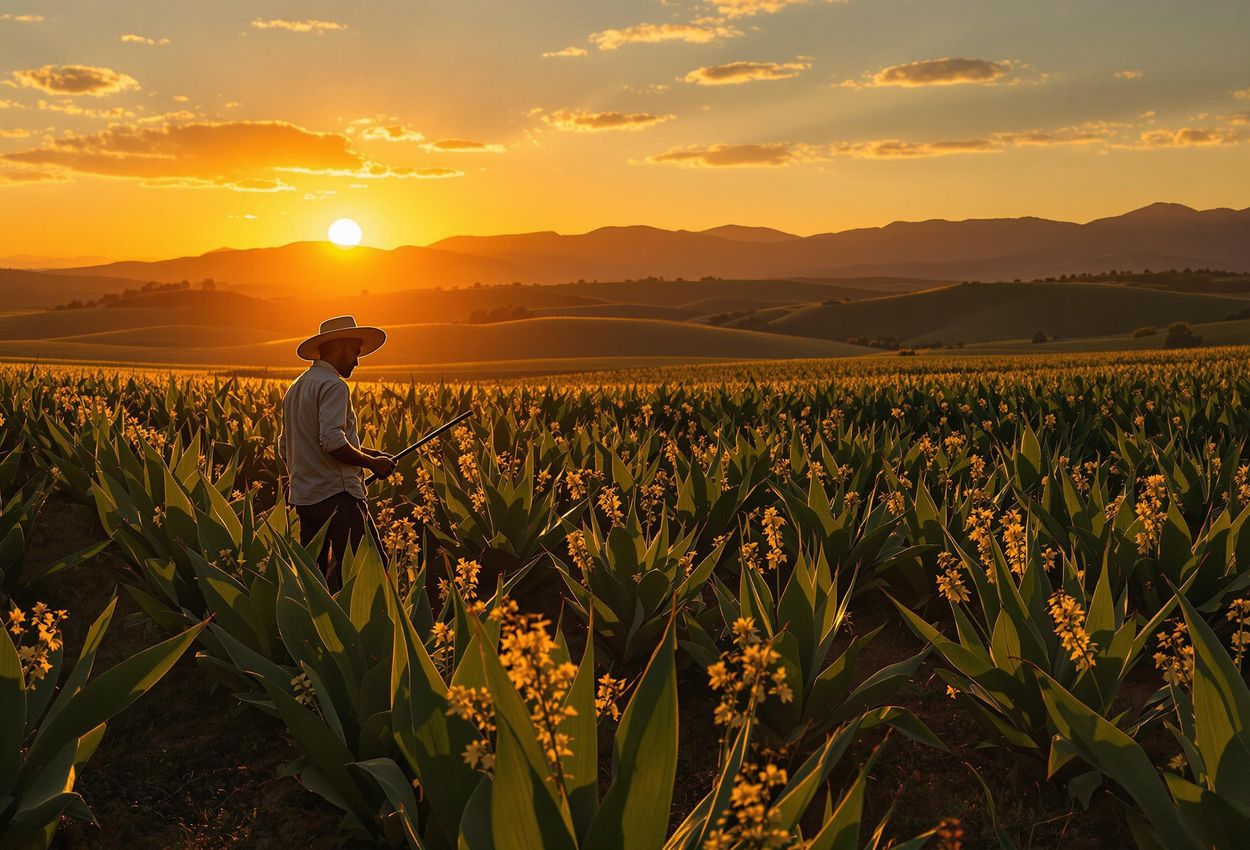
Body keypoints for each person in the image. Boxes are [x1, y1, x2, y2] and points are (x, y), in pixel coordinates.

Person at [278, 315, 396, 589]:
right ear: (337, 347)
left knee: (316, 583)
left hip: (305, 501)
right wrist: (372, 464)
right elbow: (331, 441)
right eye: (354, 353)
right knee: (369, 577)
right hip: (339, 500)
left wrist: (369, 453)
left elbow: (289, 446)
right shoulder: (334, 385)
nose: (357, 361)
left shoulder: (295, 388)